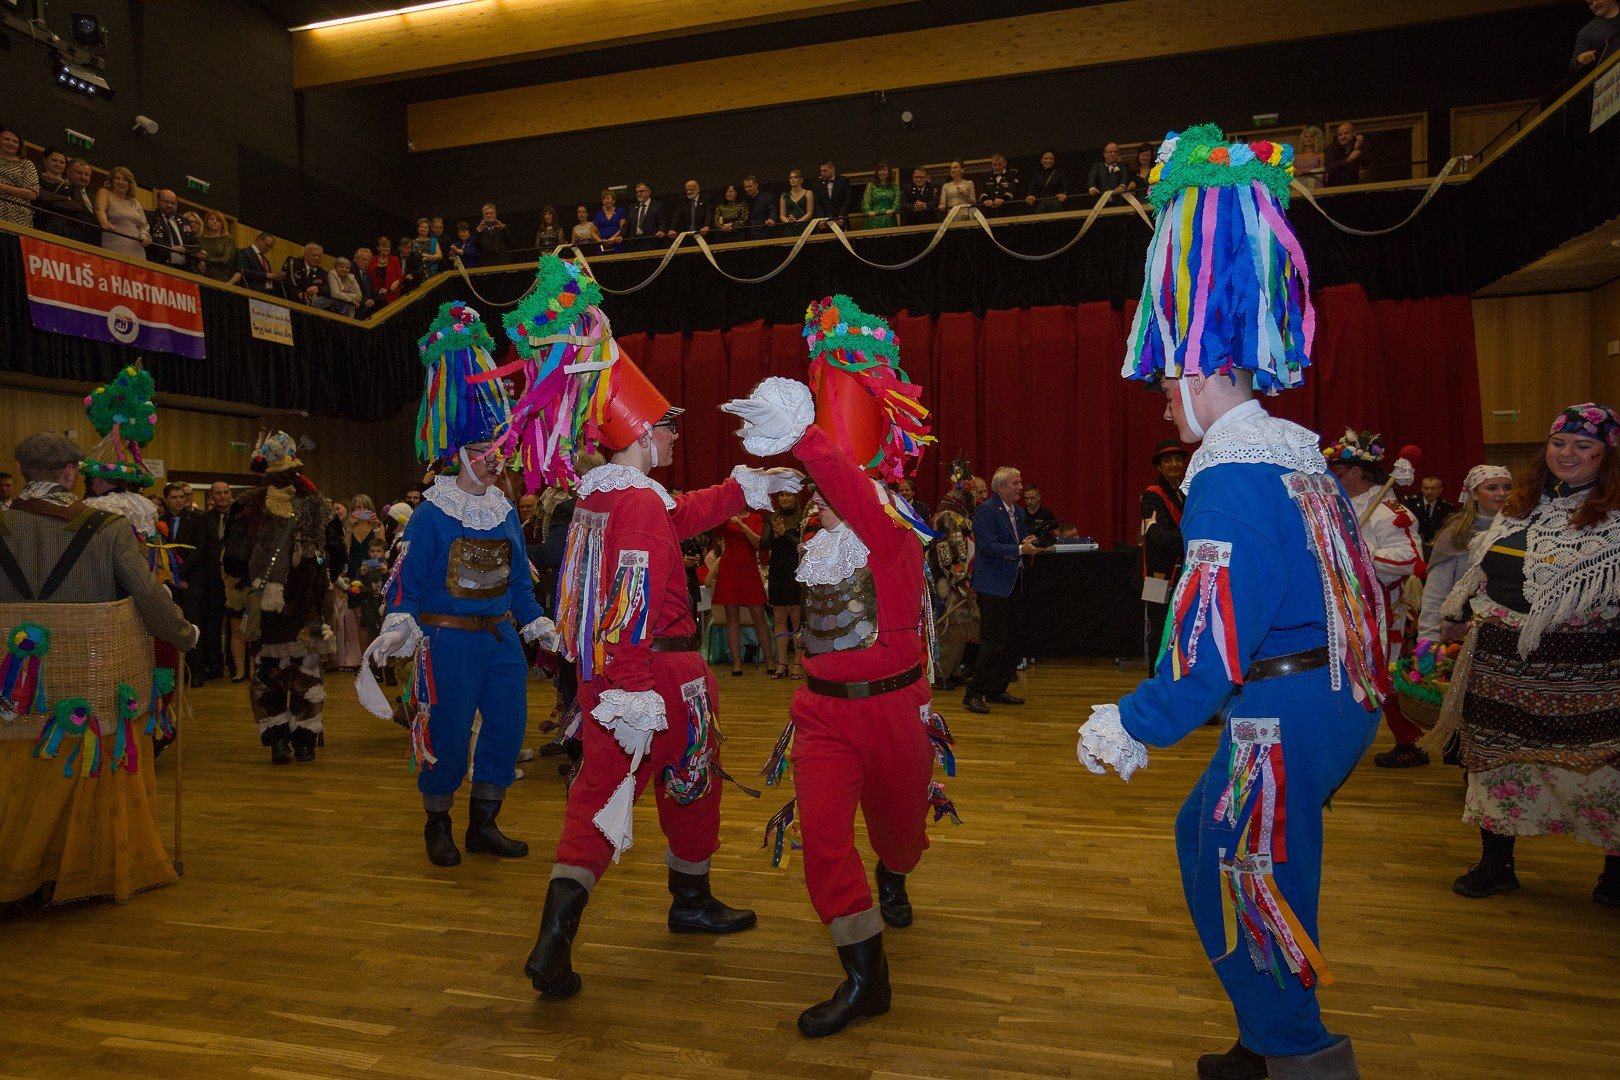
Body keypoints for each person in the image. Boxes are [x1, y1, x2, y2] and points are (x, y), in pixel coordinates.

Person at [1079, 124, 1386, 1080]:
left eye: (1171, 378)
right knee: (1237, 849)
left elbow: (1211, 633)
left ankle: (1298, 1055)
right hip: (1324, 694)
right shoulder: (1292, 453)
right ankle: (1267, 1039)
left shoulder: (1234, 471)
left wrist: (1139, 721)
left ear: (1208, 372)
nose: (1164, 398)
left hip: (1284, 707)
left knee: (1240, 863)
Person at [500, 258, 794, 999]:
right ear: (640, 432)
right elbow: (631, 601)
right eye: (666, 427)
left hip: (615, 681)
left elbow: (682, 514)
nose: (672, 436)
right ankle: (685, 903)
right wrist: (635, 692)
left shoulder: (611, 497)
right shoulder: (634, 503)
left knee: (598, 803)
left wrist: (748, 486)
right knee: (687, 788)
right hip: (652, 681)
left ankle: (557, 940)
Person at [720, 293, 945, 1038]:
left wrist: (809, 439)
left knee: (901, 835)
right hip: (820, 713)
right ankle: (864, 976)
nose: (819, 491)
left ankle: (895, 871)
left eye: (829, 479)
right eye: (819, 482)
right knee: (822, 840)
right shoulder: (816, 541)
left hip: (896, 709)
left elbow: (850, 484)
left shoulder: (892, 529)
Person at [358, 301, 555, 865]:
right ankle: (438, 821)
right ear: (459, 454)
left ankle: (484, 823)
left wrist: (536, 622)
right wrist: (399, 624)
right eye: (484, 452)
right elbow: (406, 584)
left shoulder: (505, 509)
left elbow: (519, 584)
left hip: (501, 641)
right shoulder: (431, 514)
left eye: (499, 451)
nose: (495, 461)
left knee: (507, 728)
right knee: (445, 732)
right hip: (446, 642)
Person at [1434, 404, 1620, 908]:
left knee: (1604, 764)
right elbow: (1483, 569)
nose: (1568, 453)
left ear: (1606, 454)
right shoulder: (1521, 505)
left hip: (1587, 668)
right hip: (1500, 663)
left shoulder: (1614, 518)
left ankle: (1616, 874)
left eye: (1584, 445)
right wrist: (1459, 609)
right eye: (1559, 443)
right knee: (1493, 760)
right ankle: (1496, 865)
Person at [0, 431, 198, 905]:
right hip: (87, 691)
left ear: (23, 471)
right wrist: (183, 633)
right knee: (88, 759)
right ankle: (82, 867)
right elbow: (148, 596)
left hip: (12, 692)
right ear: (71, 474)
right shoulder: (106, 528)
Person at [221, 432, 338, 765]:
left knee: (268, 674)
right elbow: (337, 553)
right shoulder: (317, 502)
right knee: (306, 673)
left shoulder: (248, 505)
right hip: (307, 604)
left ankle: (279, 742)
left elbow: (234, 560)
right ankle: (304, 741)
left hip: (271, 606)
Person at [1325, 430, 1426, 768]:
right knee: (1347, 672)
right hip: (1345, 606)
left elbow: (1411, 559)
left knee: (1382, 674)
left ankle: (1410, 741)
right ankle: (1342, 741)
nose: (1334, 478)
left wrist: (1361, 554)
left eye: (1340, 472)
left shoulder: (1388, 512)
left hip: (1381, 610)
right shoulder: (1341, 508)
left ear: (1358, 472)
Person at [962, 466, 1041, 713]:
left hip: (1014, 582)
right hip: (992, 585)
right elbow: (987, 547)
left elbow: (1019, 541)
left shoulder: (1018, 512)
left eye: (1020, 482)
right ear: (1001, 487)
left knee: (1013, 641)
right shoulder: (986, 511)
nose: (1020, 488)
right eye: (1015, 483)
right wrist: (1020, 549)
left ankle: (996, 689)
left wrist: (1029, 543)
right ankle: (974, 693)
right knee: (993, 643)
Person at [1415, 466, 1512, 643]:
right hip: (1461, 637)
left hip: (1510, 636)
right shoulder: (1456, 535)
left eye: (1507, 487)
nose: (1501, 493)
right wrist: (1428, 639)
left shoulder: (1522, 532)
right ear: (1473, 494)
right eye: (1492, 488)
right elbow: (1435, 592)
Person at [1140, 439, 1188, 670]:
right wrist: (1189, 537)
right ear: (1159, 466)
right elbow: (1159, 537)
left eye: (1178, 459)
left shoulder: (1185, 492)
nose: (1174, 464)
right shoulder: (1152, 495)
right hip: (1156, 575)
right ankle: (1154, 676)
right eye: (1168, 461)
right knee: (1158, 627)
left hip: (1181, 571)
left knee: (1180, 624)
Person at [158, 483, 212, 687]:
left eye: (182, 497)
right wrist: (170, 576)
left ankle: (197, 671)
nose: (179, 500)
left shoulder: (197, 518)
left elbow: (199, 550)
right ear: (167, 500)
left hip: (191, 580)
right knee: (172, 626)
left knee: (193, 624)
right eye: (174, 497)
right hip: (170, 582)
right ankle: (176, 671)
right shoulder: (161, 521)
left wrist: (179, 572)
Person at [713, 507, 776, 676]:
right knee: (732, 618)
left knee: (759, 616)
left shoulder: (756, 517)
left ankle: (770, 660)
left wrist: (742, 525)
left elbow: (759, 543)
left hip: (749, 568)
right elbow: (712, 528)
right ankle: (736, 663)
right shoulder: (726, 515)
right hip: (728, 568)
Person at [759, 489, 807, 678]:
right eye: (781, 495)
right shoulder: (773, 517)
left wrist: (784, 533)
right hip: (777, 572)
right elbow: (763, 544)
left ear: (795, 498)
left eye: (788, 495)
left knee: (796, 619)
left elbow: (804, 545)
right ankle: (782, 662)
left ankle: (797, 663)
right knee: (779, 618)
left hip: (796, 572)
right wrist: (776, 535)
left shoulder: (802, 518)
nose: (784, 498)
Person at [199, 481, 234, 681]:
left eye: (226, 492)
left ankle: (235, 664)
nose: (222, 496)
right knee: (212, 626)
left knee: (235, 626)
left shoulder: (240, 517)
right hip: (212, 580)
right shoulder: (204, 519)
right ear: (211, 497)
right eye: (218, 493)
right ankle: (214, 665)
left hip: (235, 579)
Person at [95, 166, 150, 259]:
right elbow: (99, 210)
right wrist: (104, 222)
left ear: (129, 183)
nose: (121, 182)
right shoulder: (105, 193)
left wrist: (144, 236)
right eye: (117, 178)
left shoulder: (135, 202)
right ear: (111, 180)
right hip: (114, 243)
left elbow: (144, 225)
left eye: (125, 180)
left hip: (137, 249)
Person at [43, 157, 99, 245]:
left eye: (87, 175)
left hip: (91, 240)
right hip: (67, 238)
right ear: (68, 172)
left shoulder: (94, 197)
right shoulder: (59, 188)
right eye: (79, 173)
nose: (83, 177)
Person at [1404, 475, 1455, 556]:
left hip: (1436, 550)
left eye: (1433, 488)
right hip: (1412, 547)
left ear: (1440, 490)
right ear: (1421, 489)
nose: (1429, 492)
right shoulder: (1410, 503)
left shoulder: (1447, 508)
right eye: (1426, 488)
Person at [0, 124, 40, 228]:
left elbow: (32, 194)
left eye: (15, 141)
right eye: (6, 139)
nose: (11, 143)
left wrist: (2, 187)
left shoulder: (26, 164)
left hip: (18, 216)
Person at [145, 189, 193, 269]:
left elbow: (193, 241)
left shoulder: (185, 221)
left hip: (184, 269)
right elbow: (149, 238)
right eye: (166, 202)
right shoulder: (150, 216)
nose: (169, 205)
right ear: (158, 201)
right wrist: (170, 248)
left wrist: (199, 252)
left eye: (173, 203)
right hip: (158, 266)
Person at [194, 211, 241, 285]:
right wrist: (198, 263)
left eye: (218, 220)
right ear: (206, 222)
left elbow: (226, 260)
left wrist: (206, 261)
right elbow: (194, 257)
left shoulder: (227, 240)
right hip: (201, 279)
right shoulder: (199, 239)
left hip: (220, 280)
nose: (214, 221)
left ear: (222, 224)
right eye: (211, 219)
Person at [1572, 0, 1619, 69]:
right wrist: (1580, 59)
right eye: (1590, 3)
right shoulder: (1586, 33)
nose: (1594, 4)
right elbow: (1574, 65)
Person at [623, 183, 668, 248]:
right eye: (637, 192)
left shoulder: (657, 206)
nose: (639, 194)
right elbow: (627, 224)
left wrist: (661, 230)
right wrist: (621, 235)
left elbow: (662, 221)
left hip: (651, 241)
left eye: (641, 191)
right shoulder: (632, 208)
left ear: (648, 192)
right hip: (634, 243)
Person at [860, 162, 901, 230]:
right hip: (873, 218)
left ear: (889, 172)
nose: (882, 172)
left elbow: (898, 201)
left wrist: (893, 210)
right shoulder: (871, 186)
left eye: (885, 170)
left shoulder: (895, 187)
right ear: (877, 172)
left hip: (889, 218)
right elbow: (866, 200)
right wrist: (868, 211)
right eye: (880, 170)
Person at [1324, 122, 1365, 187]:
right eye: (1340, 134)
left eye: (1346, 133)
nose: (1343, 137)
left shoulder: (1360, 144)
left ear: (1354, 133)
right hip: (1335, 188)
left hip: (1356, 187)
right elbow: (1329, 167)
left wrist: (1358, 147)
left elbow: (1368, 163)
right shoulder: (1331, 147)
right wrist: (1347, 160)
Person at [369, 235, 404, 306]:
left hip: (390, 294)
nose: (386, 249)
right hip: (374, 296)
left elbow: (400, 276)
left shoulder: (395, 259)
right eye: (383, 246)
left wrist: (397, 282)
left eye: (388, 247)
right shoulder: (372, 259)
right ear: (378, 248)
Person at [817, 160, 851, 228]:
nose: (822, 173)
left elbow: (847, 200)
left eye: (825, 171)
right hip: (825, 224)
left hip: (841, 222)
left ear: (833, 169)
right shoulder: (818, 183)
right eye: (821, 171)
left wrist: (841, 216)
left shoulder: (843, 180)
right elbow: (818, 203)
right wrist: (821, 220)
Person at [1023, 482, 1058, 547]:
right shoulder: (1021, 513)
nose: (1029, 501)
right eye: (1026, 498)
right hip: (1026, 548)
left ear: (1039, 497)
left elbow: (1057, 533)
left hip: (1043, 548)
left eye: (1032, 498)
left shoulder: (1047, 513)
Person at [1294, 126, 1326, 190]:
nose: (1308, 139)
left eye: (1311, 137)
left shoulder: (1320, 155)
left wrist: (1306, 171)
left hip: (1315, 186)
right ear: (1302, 139)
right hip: (1299, 187)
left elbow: (1322, 174)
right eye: (1306, 137)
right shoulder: (1295, 156)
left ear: (1316, 139)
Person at [350, 248, 379, 317]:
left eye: (368, 260)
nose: (366, 262)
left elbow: (370, 291)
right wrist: (364, 301)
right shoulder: (350, 269)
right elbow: (351, 290)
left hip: (363, 311)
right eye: (363, 259)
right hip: (352, 308)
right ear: (356, 259)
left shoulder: (367, 274)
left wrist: (379, 293)